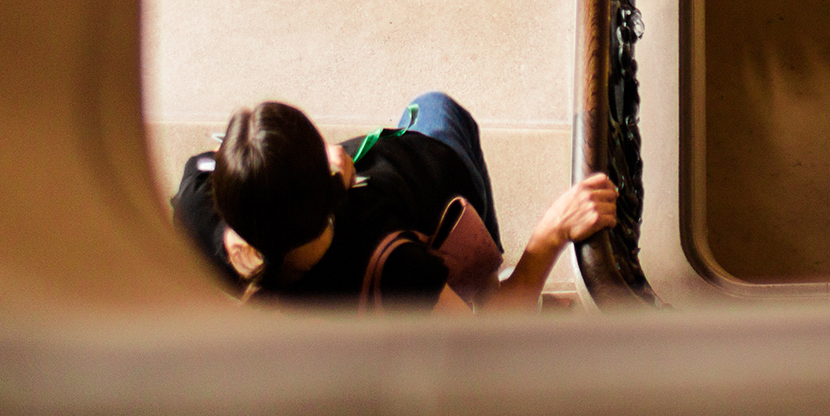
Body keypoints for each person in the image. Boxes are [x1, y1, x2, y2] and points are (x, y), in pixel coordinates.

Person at [171, 95, 617, 310]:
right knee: (440, 109)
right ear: (329, 190)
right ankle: (490, 289)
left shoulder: (193, 211)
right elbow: (484, 344)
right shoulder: (391, 266)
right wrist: (551, 232)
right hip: (443, 198)